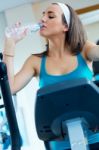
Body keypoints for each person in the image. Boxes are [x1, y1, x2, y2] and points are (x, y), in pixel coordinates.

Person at [3, 2, 99, 150]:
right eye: (43, 15)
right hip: (59, 146)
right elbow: (10, 88)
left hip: (95, 140)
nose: (43, 19)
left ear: (66, 26)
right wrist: (10, 44)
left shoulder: (84, 49)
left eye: (51, 16)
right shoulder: (35, 61)